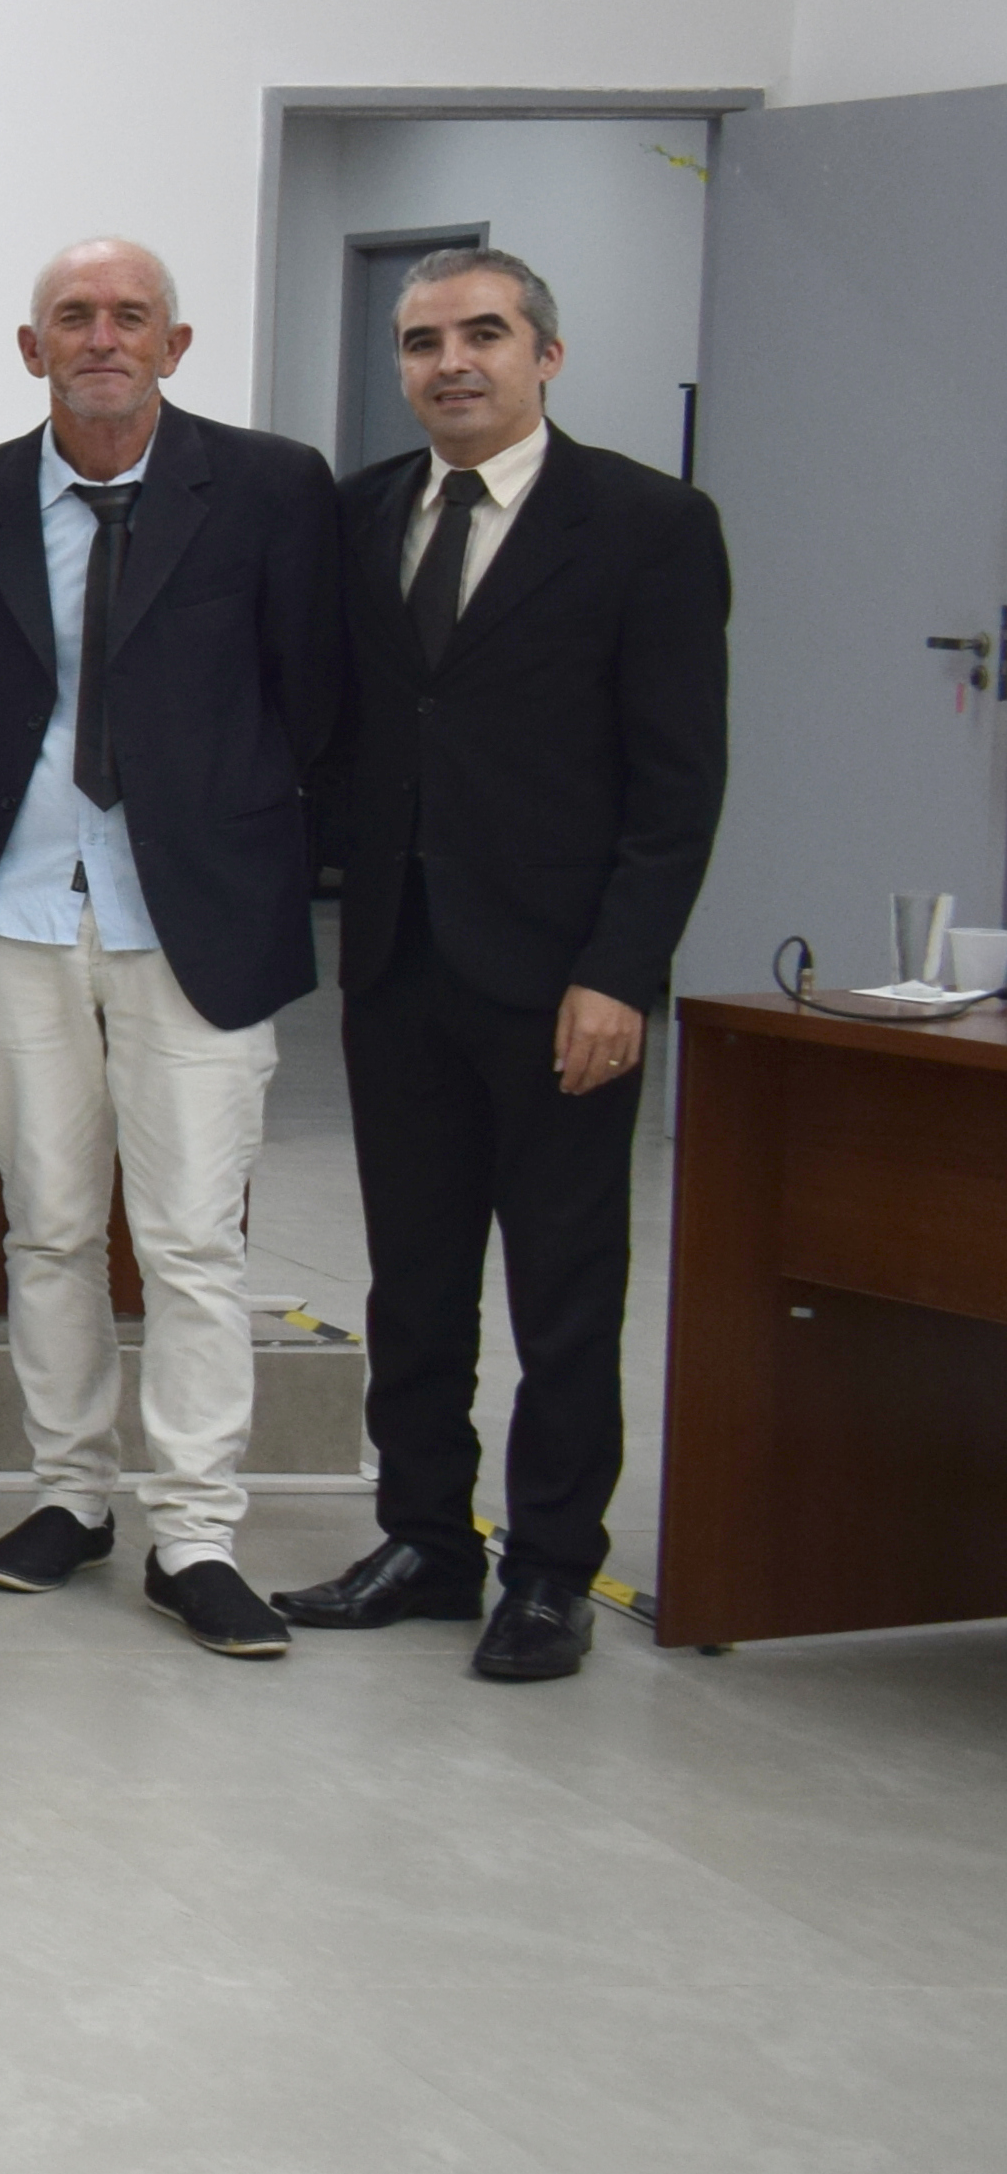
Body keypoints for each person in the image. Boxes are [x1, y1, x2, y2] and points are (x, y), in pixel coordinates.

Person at [276, 249, 728, 1683]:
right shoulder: (358, 516)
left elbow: (676, 782)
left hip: (558, 981)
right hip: (397, 962)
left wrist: (621, 969)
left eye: (482, 334)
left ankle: (547, 1566)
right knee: (410, 1279)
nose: (449, 363)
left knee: (562, 1285)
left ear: (547, 353)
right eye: (421, 342)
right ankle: (422, 1535)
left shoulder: (646, 526)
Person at [0, 237, 341, 1658]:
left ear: (176, 341)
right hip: (18, 911)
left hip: (192, 918)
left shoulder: (269, 489)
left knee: (189, 1242)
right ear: (29, 350)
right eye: (72, 318)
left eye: (128, 316)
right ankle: (67, 1497)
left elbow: (314, 695)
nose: (101, 336)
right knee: (43, 1225)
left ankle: (194, 1531)